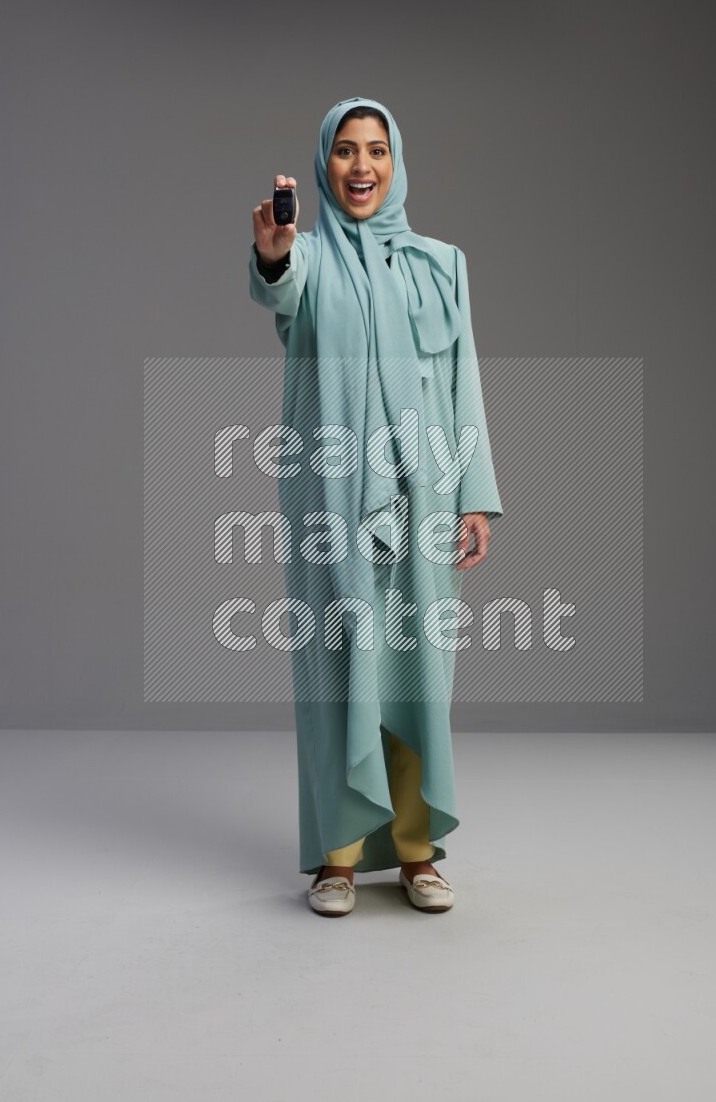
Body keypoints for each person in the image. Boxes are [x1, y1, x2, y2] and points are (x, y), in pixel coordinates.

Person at [249, 96, 503, 916]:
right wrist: (273, 256)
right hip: (332, 497)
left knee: (417, 672)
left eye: (377, 150)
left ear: (396, 163)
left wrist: (475, 497)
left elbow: (464, 381)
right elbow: (279, 293)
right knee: (334, 673)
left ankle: (418, 854)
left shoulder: (442, 264)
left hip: (424, 495)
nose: (362, 165)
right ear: (324, 163)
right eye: (346, 150)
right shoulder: (309, 259)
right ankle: (338, 859)